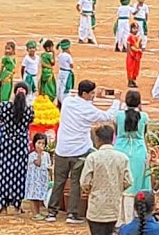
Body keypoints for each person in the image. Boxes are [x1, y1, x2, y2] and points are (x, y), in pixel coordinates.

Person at [48, 81, 121, 224]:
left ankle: (52, 212)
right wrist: (116, 100)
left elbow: (70, 96)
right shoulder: (89, 110)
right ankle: (72, 214)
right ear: (85, 94)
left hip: (62, 149)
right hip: (79, 151)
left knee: (59, 182)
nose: (93, 96)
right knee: (76, 182)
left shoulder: (68, 102)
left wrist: (94, 96)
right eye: (92, 93)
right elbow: (108, 116)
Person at [81, 123, 132, 235]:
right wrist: (117, 188)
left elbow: (85, 182)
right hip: (114, 208)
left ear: (98, 139)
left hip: (96, 208)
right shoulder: (122, 158)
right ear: (112, 138)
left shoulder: (93, 158)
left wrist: (89, 190)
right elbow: (128, 181)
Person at [0, 82, 34, 214]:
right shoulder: (29, 110)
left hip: (4, 144)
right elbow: (29, 122)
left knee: (2, 172)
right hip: (21, 145)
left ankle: (3, 205)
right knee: (19, 173)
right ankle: (17, 205)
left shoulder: (4, 106)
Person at [114, 90, 150, 218]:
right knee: (136, 183)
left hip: (120, 149)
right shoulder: (144, 116)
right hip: (139, 150)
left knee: (118, 182)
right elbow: (144, 133)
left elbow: (116, 131)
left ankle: (118, 218)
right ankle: (133, 216)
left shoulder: (118, 115)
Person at [25, 132, 52, 219]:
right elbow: (38, 163)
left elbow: (48, 167)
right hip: (34, 179)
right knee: (33, 196)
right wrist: (39, 154)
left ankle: (38, 212)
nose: (41, 145)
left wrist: (50, 178)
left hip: (42, 179)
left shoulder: (47, 155)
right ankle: (35, 213)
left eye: (43, 143)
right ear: (34, 143)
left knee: (39, 196)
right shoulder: (32, 155)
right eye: (39, 143)